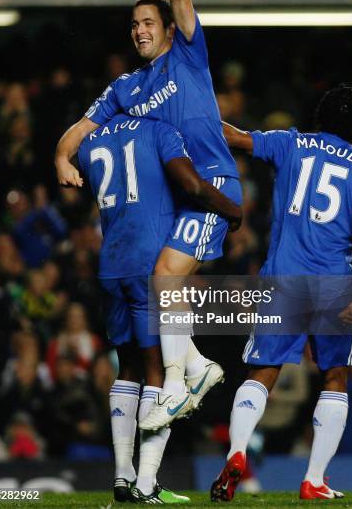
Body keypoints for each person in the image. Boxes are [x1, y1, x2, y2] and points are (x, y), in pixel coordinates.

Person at [55, 0, 241, 430]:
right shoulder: (126, 89)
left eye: (147, 23)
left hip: (212, 186)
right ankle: (197, 368)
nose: (139, 30)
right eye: (134, 25)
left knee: (164, 280)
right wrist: (61, 158)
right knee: (166, 287)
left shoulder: (188, 54)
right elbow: (78, 132)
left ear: (165, 28)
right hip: (180, 198)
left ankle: (184, 382)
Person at [210, 84, 352, 502]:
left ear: (320, 116)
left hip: (283, 279)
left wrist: (193, 115)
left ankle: (236, 453)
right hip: (334, 283)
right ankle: (314, 479)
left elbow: (234, 136)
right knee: (335, 376)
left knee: (262, 373)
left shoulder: (290, 143)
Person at [77, 113, 241, 503]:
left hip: (111, 261)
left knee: (127, 366)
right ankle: (146, 482)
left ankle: (122, 476)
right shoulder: (160, 130)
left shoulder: (92, 140)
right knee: (159, 374)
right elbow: (189, 183)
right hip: (148, 261)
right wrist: (231, 209)